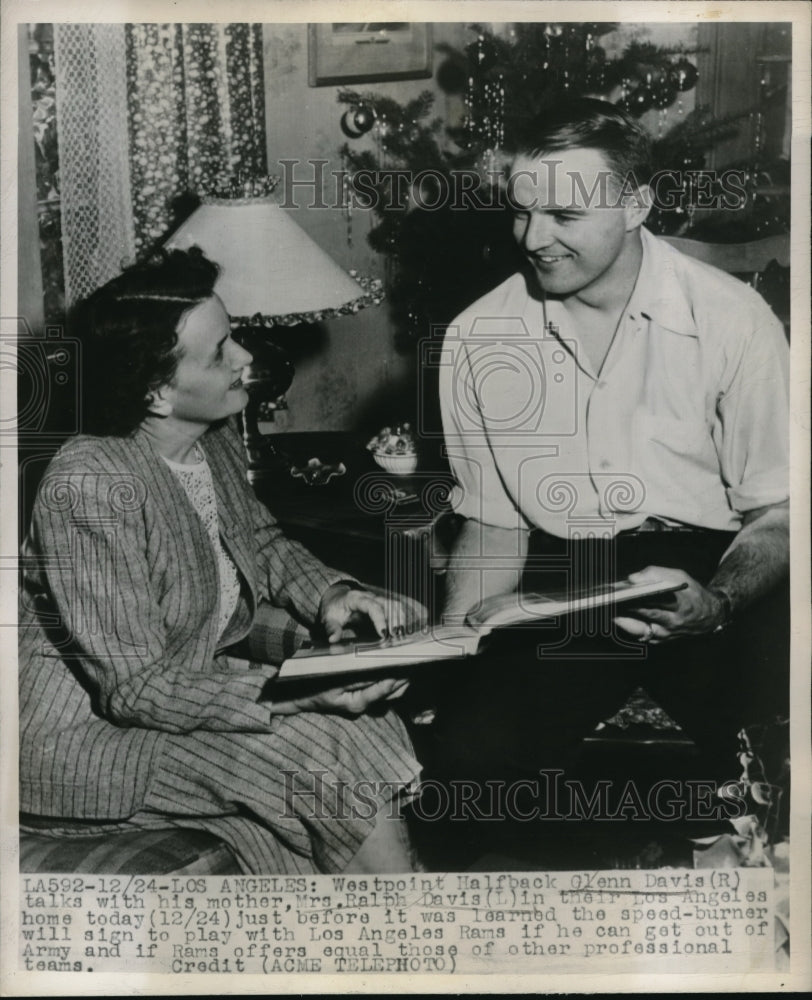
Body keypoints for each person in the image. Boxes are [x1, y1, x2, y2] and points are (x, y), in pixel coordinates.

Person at [431, 98, 789, 818]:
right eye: (522, 212)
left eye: (564, 215)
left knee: (772, 764)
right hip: (567, 577)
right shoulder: (479, 336)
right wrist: (448, 660)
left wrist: (717, 604)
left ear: (636, 206)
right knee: (466, 769)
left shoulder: (730, 318)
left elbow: (778, 512)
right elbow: (494, 526)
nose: (534, 239)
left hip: (713, 567)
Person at [19, 248, 423, 874]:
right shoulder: (90, 484)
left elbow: (259, 541)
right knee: (317, 750)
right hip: (83, 742)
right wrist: (297, 692)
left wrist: (334, 595)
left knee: (362, 727)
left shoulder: (212, 436)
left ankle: (393, 914)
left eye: (232, 335)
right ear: (157, 392)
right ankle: (418, 921)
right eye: (220, 353)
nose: (245, 359)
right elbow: (135, 688)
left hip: (173, 703)